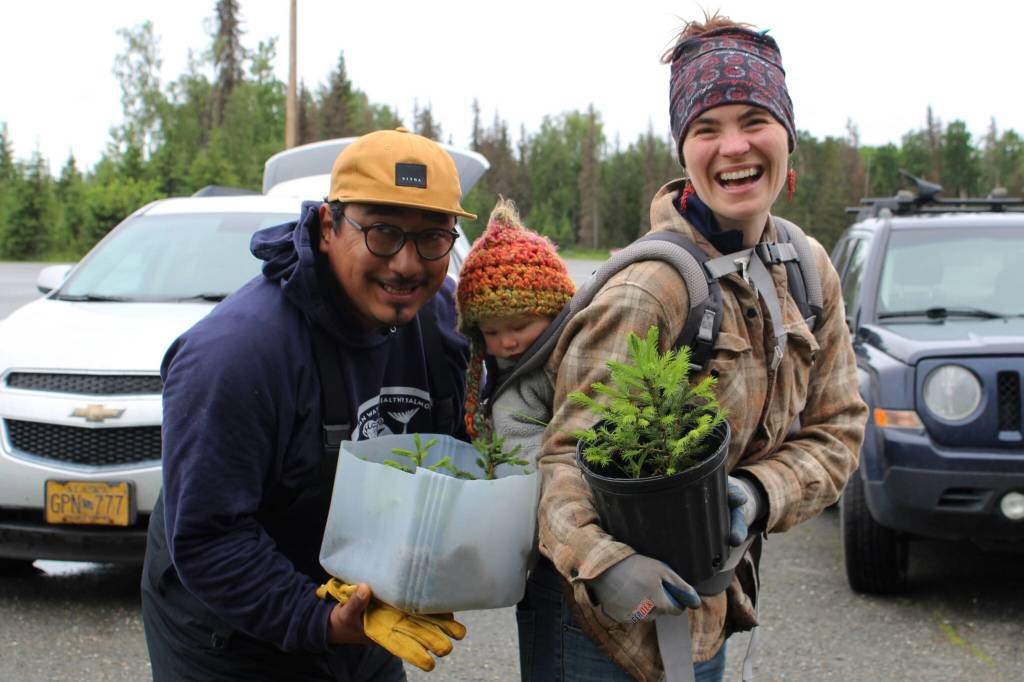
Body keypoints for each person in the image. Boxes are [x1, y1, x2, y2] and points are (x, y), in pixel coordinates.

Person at [519, 12, 869, 682]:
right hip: (595, 624)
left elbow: (840, 426)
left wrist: (756, 493)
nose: (734, 146)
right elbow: (561, 462)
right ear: (683, 149)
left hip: (705, 605)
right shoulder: (649, 289)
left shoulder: (803, 267)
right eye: (706, 128)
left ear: (787, 132)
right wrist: (606, 564)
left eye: (753, 119)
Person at [141, 127, 474, 681]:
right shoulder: (235, 356)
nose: (407, 265)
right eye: (383, 233)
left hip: (366, 614)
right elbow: (209, 536)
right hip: (228, 633)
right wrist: (318, 618)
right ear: (327, 226)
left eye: (432, 238)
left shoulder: (444, 323)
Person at [455, 198, 575, 459]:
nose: (507, 343)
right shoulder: (502, 373)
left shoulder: (563, 369)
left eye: (519, 326)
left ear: (556, 314)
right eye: (491, 333)